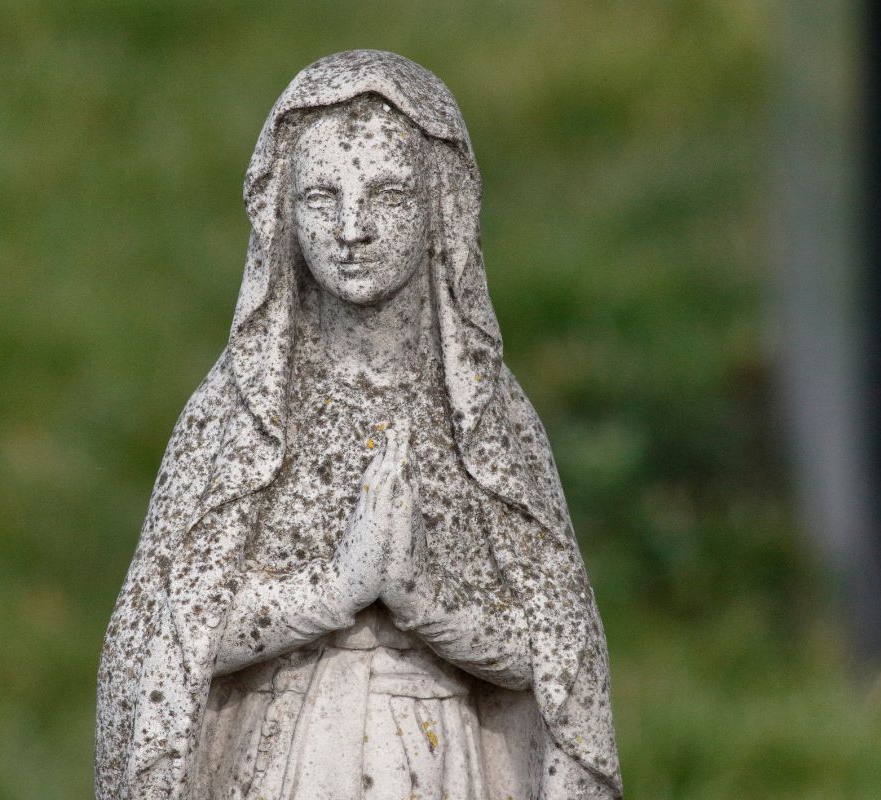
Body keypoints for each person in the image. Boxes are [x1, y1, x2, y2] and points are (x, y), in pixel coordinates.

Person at [96, 50, 621, 800]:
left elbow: (555, 657)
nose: (351, 228)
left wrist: (422, 596)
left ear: (441, 204)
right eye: (319, 197)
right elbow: (165, 639)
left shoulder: (485, 417)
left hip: (442, 762)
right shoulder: (238, 415)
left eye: (388, 195)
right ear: (282, 211)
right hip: (278, 760)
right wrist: (335, 588)